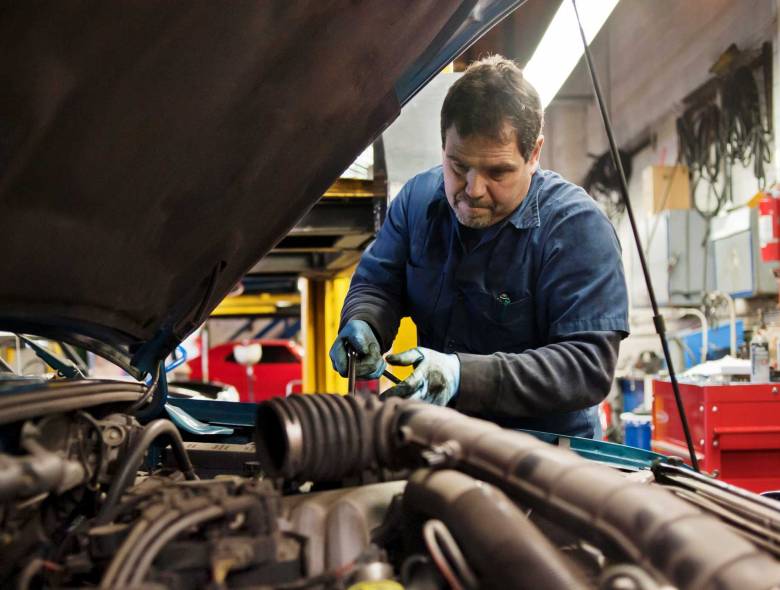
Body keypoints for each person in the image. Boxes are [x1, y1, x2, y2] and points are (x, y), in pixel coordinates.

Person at [329, 55, 629, 438]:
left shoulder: (576, 229)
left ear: (534, 154)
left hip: (546, 461)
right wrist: (365, 320)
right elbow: (378, 284)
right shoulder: (417, 203)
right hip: (440, 440)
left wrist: (462, 374)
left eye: (497, 172)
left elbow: (587, 366)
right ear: (443, 147)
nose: (473, 190)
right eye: (458, 167)